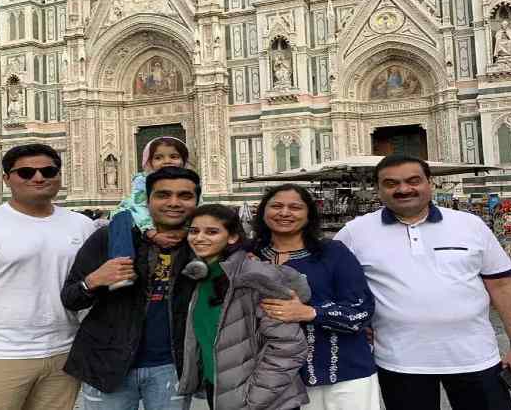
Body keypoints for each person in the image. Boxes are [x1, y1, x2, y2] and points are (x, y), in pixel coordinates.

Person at [334, 154, 511, 410]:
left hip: (476, 358)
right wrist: (355, 321)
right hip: (399, 363)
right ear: (378, 189)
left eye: (413, 181)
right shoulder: (354, 232)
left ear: (429, 183)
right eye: (391, 183)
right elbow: (331, 281)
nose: (403, 189)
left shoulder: (470, 225)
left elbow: (502, 286)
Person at [0, 143, 95, 410]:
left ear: (59, 175)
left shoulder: (83, 225)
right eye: (26, 172)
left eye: (48, 171)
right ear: (6, 179)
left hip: (63, 354)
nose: (38, 177)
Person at [61, 167, 200, 410]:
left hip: (171, 367)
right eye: (163, 195)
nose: (174, 203)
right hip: (107, 363)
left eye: (185, 196)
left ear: (197, 201)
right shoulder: (112, 238)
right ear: (147, 200)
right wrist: (93, 281)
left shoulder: (202, 244)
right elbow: (71, 298)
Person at [253, 184, 380, 410]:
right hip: (277, 377)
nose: (284, 212)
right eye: (276, 206)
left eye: (295, 207)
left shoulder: (333, 252)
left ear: (309, 214)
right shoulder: (250, 256)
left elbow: (361, 310)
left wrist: (310, 312)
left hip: (344, 372)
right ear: (263, 212)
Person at [178, 204, 310, 409]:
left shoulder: (255, 276)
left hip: (262, 401)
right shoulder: (201, 277)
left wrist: (253, 400)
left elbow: (289, 346)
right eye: (194, 231)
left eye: (211, 232)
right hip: (221, 392)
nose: (199, 238)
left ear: (232, 237)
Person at [108, 136, 190, 264]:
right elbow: (138, 205)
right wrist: (152, 232)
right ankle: (122, 264)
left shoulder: (190, 181)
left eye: (174, 157)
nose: (166, 161)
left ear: (184, 161)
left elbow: (197, 206)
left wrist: (186, 229)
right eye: (158, 158)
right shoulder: (143, 180)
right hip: (134, 215)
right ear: (149, 162)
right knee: (122, 219)